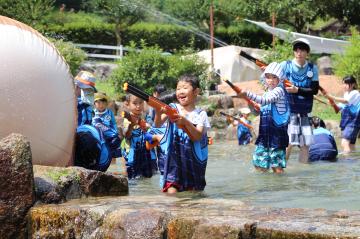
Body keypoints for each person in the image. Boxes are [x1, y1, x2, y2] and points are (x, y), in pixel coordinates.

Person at [154, 74, 210, 194]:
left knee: (192, 193)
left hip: (192, 161)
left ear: (196, 91)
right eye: (178, 88)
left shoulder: (201, 114)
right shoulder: (172, 108)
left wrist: (186, 122)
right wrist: (158, 112)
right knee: (171, 190)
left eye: (184, 88)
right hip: (174, 159)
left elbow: (197, 136)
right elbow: (158, 124)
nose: (180, 91)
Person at [238, 62, 290, 174]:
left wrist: (247, 93)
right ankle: (266, 187)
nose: (270, 80)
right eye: (268, 77)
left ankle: (281, 187)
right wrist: (259, 107)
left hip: (276, 136)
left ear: (280, 79)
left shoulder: (279, 91)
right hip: (264, 135)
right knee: (259, 163)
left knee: (276, 167)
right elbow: (264, 104)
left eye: (274, 77)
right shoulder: (267, 92)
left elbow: (265, 100)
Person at [281, 38, 319, 163]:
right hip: (289, 111)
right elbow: (271, 81)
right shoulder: (285, 66)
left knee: (305, 144)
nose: (299, 53)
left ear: (307, 53)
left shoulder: (312, 68)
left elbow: (314, 90)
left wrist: (297, 89)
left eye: (302, 50)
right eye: (296, 50)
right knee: (288, 143)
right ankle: (281, 168)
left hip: (305, 111)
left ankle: (304, 175)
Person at [121, 94, 156, 179]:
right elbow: (126, 135)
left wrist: (149, 127)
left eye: (140, 103)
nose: (138, 106)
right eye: (134, 103)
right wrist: (131, 125)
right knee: (133, 177)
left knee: (149, 176)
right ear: (127, 104)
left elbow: (154, 131)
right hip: (132, 152)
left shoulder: (146, 117)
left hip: (147, 152)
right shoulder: (127, 118)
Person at [324, 76, 360, 153]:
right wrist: (332, 103)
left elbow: (346, 101)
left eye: (347, 84)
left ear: (353, 84)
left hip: (353, 122)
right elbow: (339, 108)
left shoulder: (355, 93)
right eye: (344, 83)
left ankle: (347, 160)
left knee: (344, 143)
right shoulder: (346, 94)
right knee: (351, 145)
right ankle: (353, 161)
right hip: (348, 123)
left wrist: (332, 97)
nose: (344, 85)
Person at [92, 92, 121, 158]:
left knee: (116, 139)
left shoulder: (109, 112)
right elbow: (91, 123)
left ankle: (112, 153)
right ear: (94, 104)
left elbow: (113, 122)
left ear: (106, 104)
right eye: (98, 103)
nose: (101, 105)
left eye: (103, 103)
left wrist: (115, 130)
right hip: (97, 133)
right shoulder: (93, 112)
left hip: (108, 133)